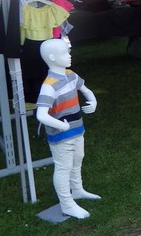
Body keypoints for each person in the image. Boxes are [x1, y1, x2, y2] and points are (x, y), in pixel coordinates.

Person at [35, 39, 99, 220]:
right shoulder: (49, 86)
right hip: (61, 135)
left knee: (78, 158)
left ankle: (77, 189)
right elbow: (41, 115)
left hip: (77, 128)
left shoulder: (70, 75)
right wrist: (61, 125)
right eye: (65, 53)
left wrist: (93, 101)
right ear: (52, 57)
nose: (70, 55)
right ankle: (67, 203)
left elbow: (85, 90)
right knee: (63, 167)